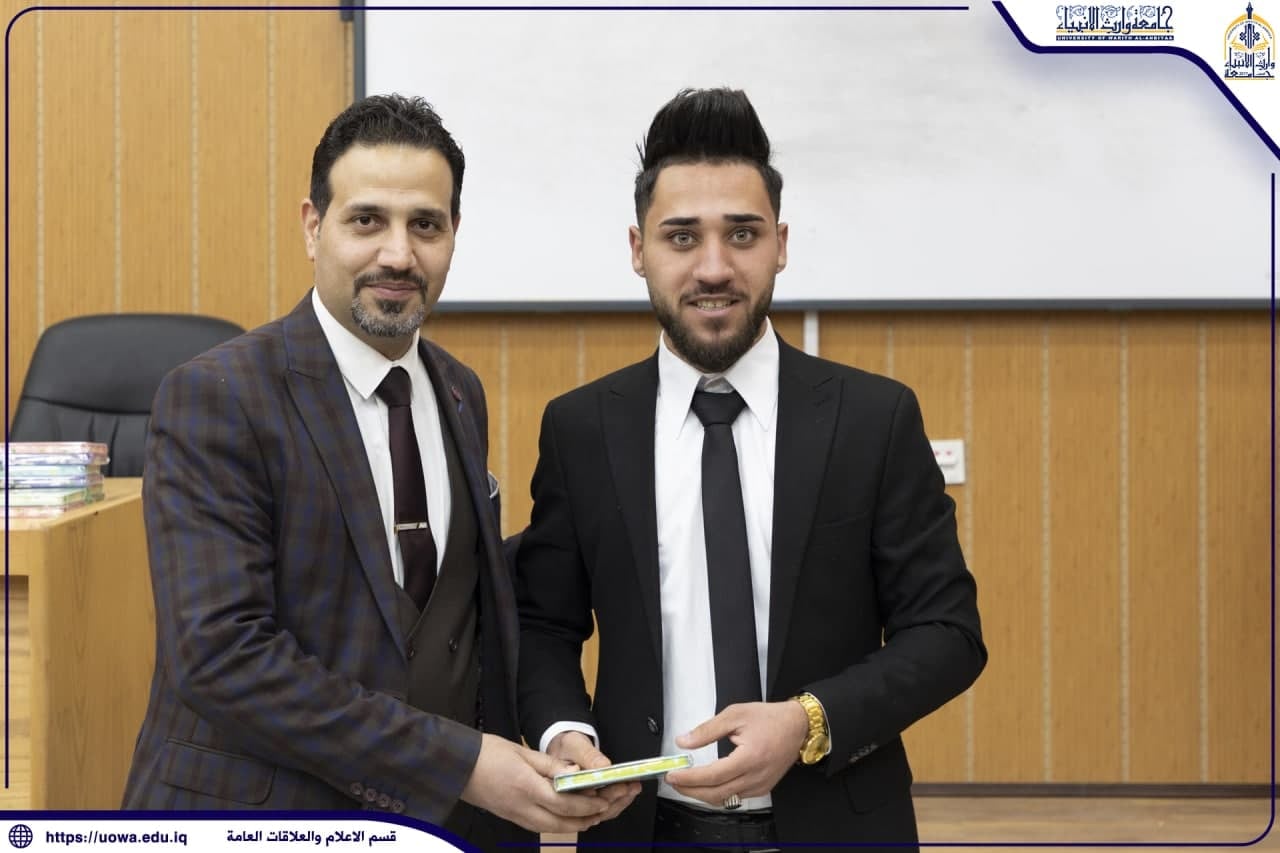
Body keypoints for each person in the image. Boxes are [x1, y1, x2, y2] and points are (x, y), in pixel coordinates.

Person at [121, 94, 622, 846]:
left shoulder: (460, 392)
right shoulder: (217, 395)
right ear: (312, 226)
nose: (398, 254)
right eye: (366, 221)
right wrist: (460, 763)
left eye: (426, 225)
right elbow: (222, 657)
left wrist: (553, 735)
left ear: (454, 234)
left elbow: (456, 620)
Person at [515, 87, 987, 851]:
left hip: (840, 831)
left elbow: (947, 632)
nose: (714, 267)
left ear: (781, 244)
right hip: (640, 831)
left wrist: (809, 719)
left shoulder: (874, 419)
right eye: (681, 237)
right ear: (638, 248)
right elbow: (544, 622)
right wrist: (565, 729)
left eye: (742, 234)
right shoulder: (581, 429)